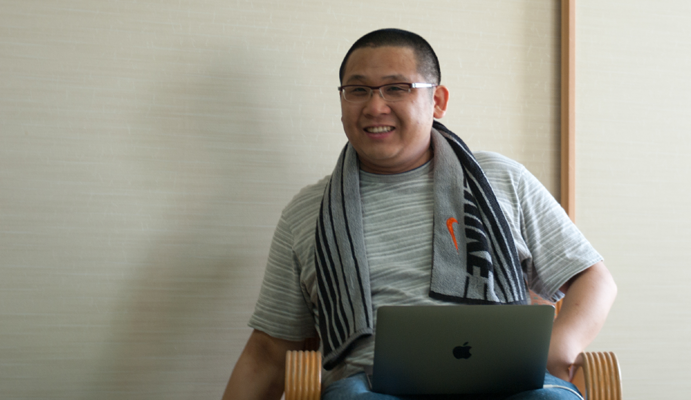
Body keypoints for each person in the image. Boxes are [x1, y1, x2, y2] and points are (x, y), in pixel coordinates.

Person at [223, 28, 617, 400]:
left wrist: (559, 345)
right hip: (370, 388)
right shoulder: (307, 211)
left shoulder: (501, 178)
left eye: (397, 88)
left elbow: (593, 279)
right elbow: (269, 351)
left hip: (510, 382)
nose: (375, 107)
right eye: (358, 90)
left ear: (438, 101)